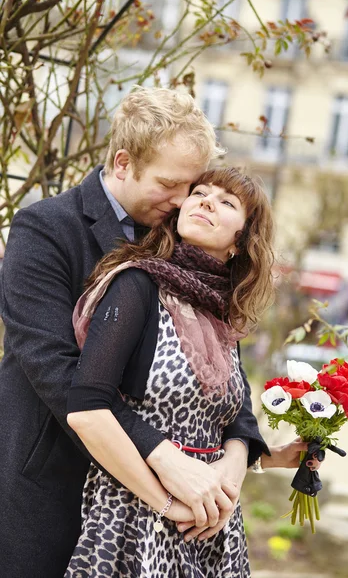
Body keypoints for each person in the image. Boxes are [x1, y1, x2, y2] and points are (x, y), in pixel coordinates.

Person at [0, 87, 271, 578]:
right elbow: (57, 374)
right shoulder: (44, 229)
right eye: (171, 184)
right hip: (51, 483)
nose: (184, 200)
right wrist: (164, 465)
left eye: (193, 185)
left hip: (152, 514)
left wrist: (236, 456)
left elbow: (218, 364)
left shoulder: (177, 235)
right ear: (123, 163)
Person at [64, 168, 309, 577]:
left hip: (210, 529)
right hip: (135, 518)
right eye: (199, 192)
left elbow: (234, 420)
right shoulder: (137, 284)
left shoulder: (222, 311)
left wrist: (259, 460)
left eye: (227, 202)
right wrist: (169, 504)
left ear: (240, 242)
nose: (206, 201)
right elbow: (88, 406)